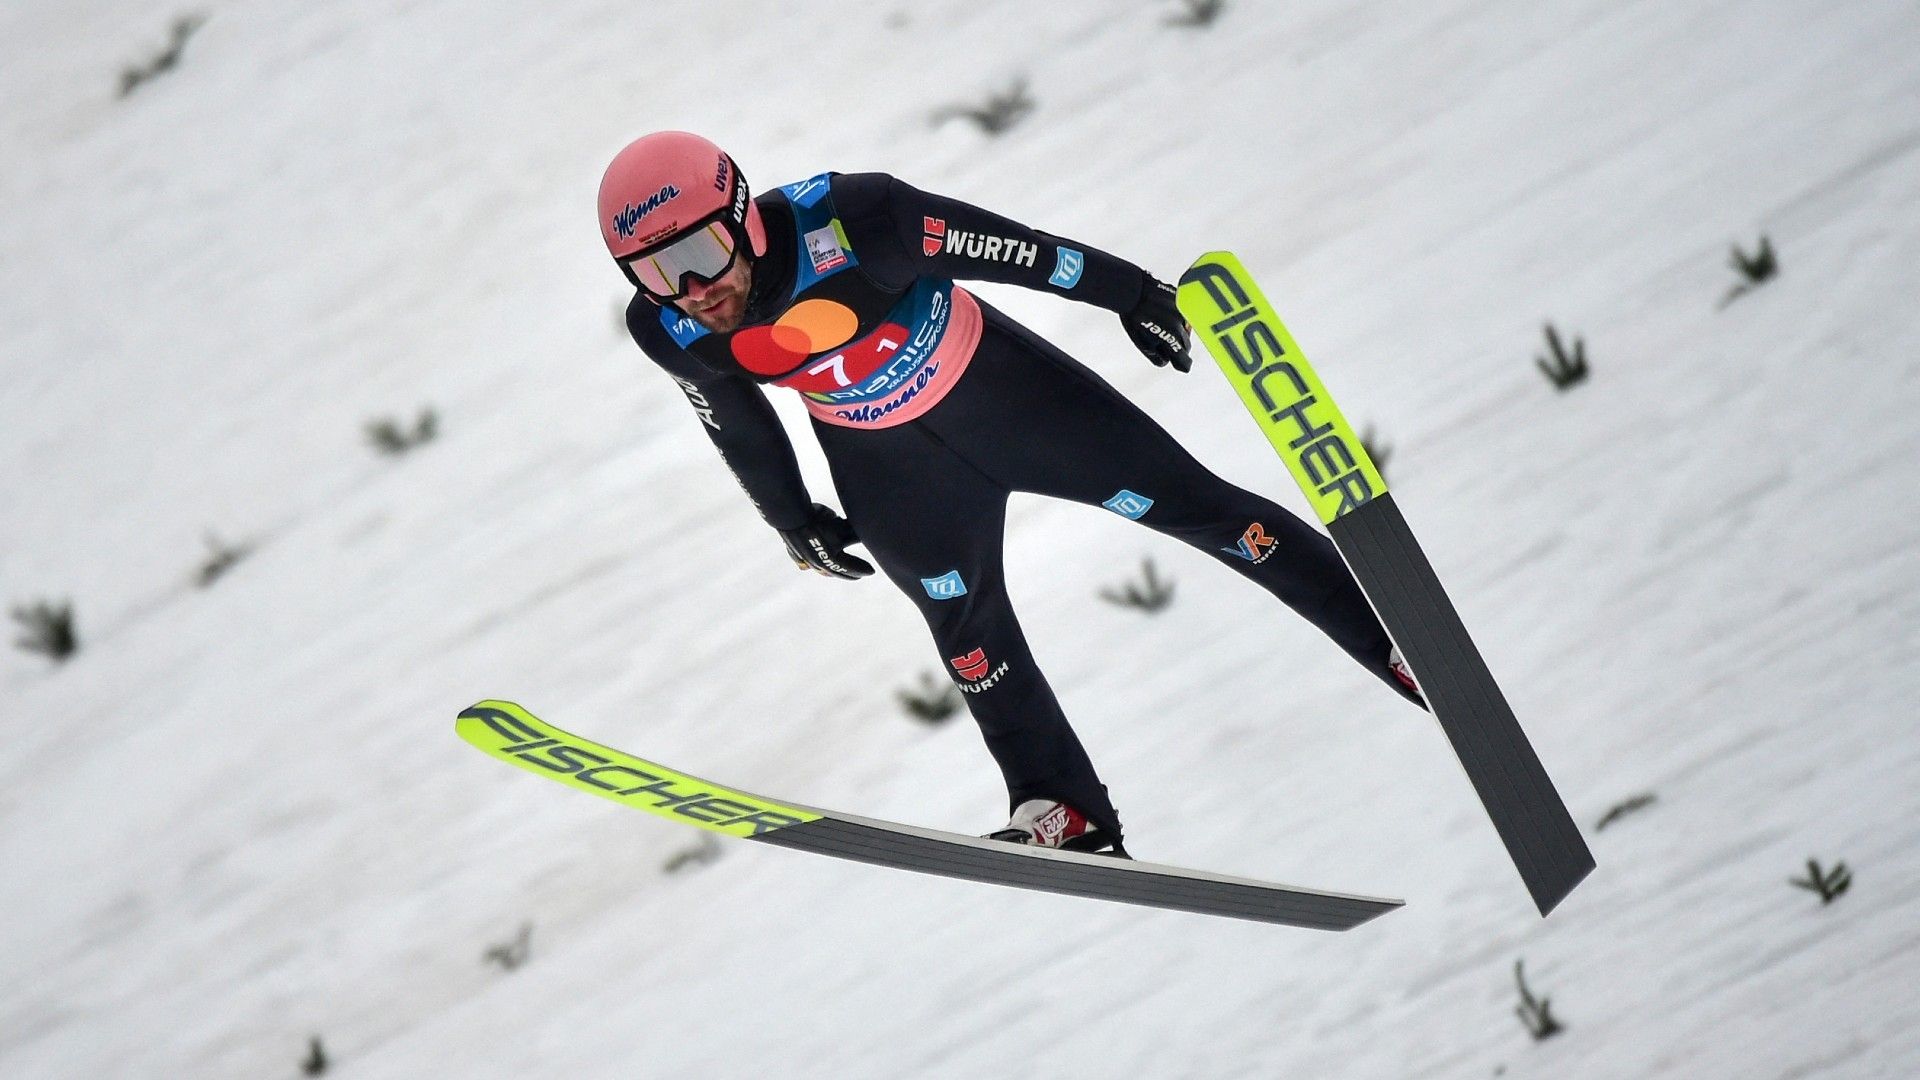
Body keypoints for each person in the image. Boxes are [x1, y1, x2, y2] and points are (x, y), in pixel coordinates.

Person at [602, 131, 1423, 858]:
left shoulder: (858, 220)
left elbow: (1020, 252)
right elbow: (736, 425)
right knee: (968, 636)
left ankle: (1395, 641)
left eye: (701, 255)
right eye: (653, 272)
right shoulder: (668, 326)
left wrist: (1135, 295)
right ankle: (1062, 808)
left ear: (743, 215)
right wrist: (789, 519)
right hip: (893, 473)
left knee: (1203, 511)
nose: (691, 288)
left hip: (1012, 402)